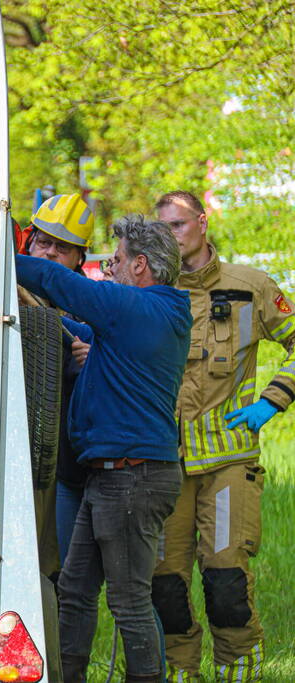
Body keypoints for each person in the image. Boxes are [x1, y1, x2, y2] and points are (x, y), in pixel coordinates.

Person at [16, 214, 192, 683]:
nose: (107, 268)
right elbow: (97, 337)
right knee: (74, 590)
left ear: (140, 266)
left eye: (114, 261)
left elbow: (55, 278)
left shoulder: (135, 309)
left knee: (130, 602)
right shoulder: (160, 313)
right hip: (114, 476)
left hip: (132, 479)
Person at [152, 191, 295, 682]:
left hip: (229, 459)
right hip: (164, 462)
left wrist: (272, 400)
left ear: (202, 223)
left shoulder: (250, 286)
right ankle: (180, 670)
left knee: (225, 577)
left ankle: (240, 669)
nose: (171, 235)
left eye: (178, 225)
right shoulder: (150, 288)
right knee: (165, 582)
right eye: (162, 228)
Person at [17, 193, 94, 579]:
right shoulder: (4, 290)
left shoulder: (92, 306)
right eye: (42, 242)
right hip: (9, 446)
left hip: (62, 463)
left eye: (61, 249)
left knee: (58, 570)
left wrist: (88, 365)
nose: (47, 254)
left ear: (79, 258)